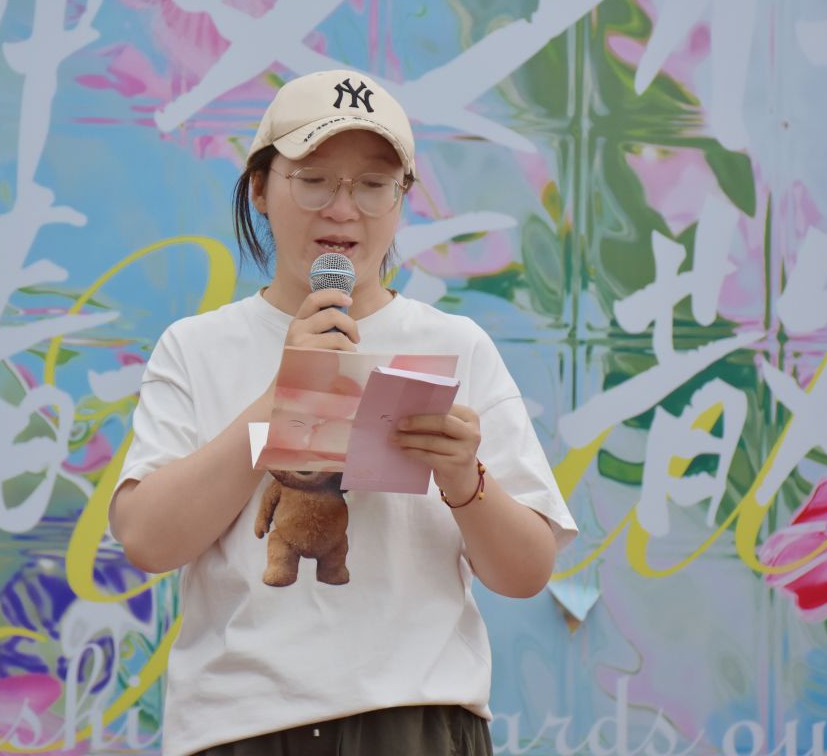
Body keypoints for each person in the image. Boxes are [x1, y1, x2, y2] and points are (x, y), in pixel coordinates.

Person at [110, 70, 577, 756]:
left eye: (372, 185)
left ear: (402, 198)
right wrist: (284, 393)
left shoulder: (454, 346)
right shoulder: (197, 347)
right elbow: (147, 541)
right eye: (314, 180)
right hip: (240, 726)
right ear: (260, 188)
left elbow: (526, 572)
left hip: (416, 722)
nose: (342, 208)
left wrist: (463, 478)